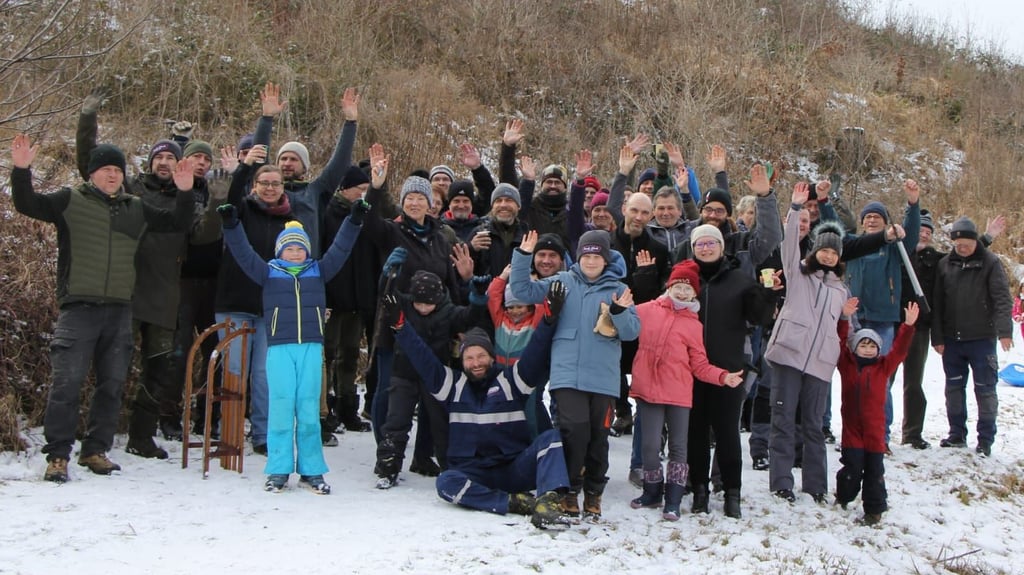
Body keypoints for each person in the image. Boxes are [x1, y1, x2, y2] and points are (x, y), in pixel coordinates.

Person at [11, 134, 192, 481]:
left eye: (117, 170)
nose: (112, 175)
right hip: (79, 309)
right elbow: (27, 204)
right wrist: (21, 170)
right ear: (91, 173)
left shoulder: (135, 207)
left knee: (112, 384)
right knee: (67, 383)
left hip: (120, 309)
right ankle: (58, 455)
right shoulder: (70, 201)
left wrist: (185, 192)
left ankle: (95, 450)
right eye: (106, 169)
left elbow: (177, 224)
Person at [382, 283, 575, 529]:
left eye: (481, 356)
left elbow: (535, 353)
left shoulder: (510, 381)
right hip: (475, 474)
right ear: (462, 361)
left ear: (491, 357)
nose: (476, 363)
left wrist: (548, 320)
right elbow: (423, 358)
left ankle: (547, 502)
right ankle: (513, 503)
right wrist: (401, 326)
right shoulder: (453, 385)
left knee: (551, 438)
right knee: (445, 483)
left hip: (513, 468)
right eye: (469, 358)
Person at [217, 199, 367, 493]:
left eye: (300, 248)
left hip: (311, 348)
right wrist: (231, 225)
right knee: (281, 408)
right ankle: (278, 468)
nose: (295, 252)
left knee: (309, 410)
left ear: (307, 251)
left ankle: (312, 470)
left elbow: (341, 247)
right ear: (280, 251)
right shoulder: (268, 273)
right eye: (290, 248)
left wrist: (355, 219)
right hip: (279, 349)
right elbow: (243, 253)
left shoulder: (318, 271)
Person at [511, 229, 640, 520]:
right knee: (573, 433)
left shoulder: (619, 289)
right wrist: (522, 257)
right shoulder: (562, 282)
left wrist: (619, 311)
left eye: (597, 256)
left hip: (604, 379)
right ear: (578, 257)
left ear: (606, 260)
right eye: (586, 255)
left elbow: (632, 332)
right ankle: (569, 490)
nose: (591, 261)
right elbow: (522, 291)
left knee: (598, 438)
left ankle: (594, 492)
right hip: (566, 374)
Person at [629, 260, 744, 521]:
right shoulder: (647, 310)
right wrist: (615, 308)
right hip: (648, 390)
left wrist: (723, 377)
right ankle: (652, 491)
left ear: (695, 293)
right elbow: (624, 321)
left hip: (679, 394)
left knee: (679, 448)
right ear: (669, 287)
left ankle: (674, 497)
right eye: (678, 286)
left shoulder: (694, 324)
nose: (682, 292)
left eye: (688, 288)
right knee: (649, 446)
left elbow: (700, 365)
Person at [685, 221, 779, 518]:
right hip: (691, 370)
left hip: (729, 371)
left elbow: (760, 317)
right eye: (700, 244)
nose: (706, 248)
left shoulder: (740, 280)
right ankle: (699, 488)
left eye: (711, 243)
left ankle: (732, 492)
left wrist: (769, 294)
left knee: (727, 433)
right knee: (695, 434)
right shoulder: (686, 279)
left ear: (721, 248)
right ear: (693, 249)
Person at [765, 181, 848, 504]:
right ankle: (781, 481)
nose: (827, 256)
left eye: (833, 252)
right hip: (789, 355)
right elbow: (788, 245)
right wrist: (795, 209)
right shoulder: (798, 273)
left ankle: (816, 485)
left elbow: (842, 328)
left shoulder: (841, 290)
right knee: (783, 420)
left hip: (820, 364)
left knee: (814, 425)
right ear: (815, 251)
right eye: (823, 250)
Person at [839, 180, 920, 451]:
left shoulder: (893, 246)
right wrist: (827, 202)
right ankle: (851, 434)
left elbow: (911, 234)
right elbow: (830, 228)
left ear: (885, 222)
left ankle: (880, 436)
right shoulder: (852, 245)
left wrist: (912, 205)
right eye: (868, 217)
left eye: (877, 217)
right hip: (855, 317)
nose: (872, 220)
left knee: (879, 381)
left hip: (884, 320)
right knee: (851, 380)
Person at [931, 217, 1014, 457]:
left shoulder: (990, 262)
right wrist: (937, 336)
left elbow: (1001, 298)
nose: (962, 248)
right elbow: (937, 302)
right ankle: (957, 434)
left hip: (982, 338)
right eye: (958, 244)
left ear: (975, 240)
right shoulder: (945, 264)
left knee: (985, 389)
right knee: (954, 388)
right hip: (952, 339)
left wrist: (1004, 332)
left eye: (966, 243)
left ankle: (985, 439)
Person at [252, 82, 359, 257]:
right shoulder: (268, 190)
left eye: (294, 159)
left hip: (308, 271)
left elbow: (340, 163)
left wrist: (350, 123)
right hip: (271, 271)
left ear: (304, 167)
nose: (287, 163)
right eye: (283, 159)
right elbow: (258, 158)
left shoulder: (316, 192)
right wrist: (266, 118)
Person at [835, 298, 918, 525]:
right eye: (863, 345)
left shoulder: (883, 367)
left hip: (874, 433)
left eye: (872, 346)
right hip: (852, 431)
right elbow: (840, 341)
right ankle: (843, 495)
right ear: (855, 348)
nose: (868, 349)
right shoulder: (847, 364)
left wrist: (908, 326)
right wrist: (844, 318)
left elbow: (899, 350)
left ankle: (874, 510)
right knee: (851, 468)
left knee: (874, 473)